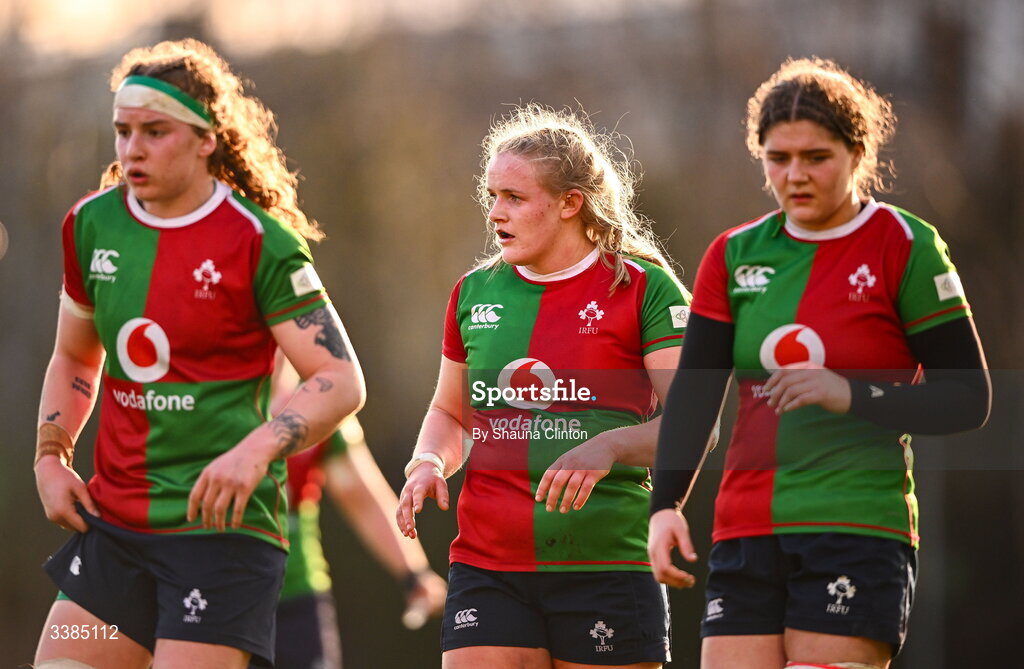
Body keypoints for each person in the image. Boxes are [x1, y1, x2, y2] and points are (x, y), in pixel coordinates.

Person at [648, 57, 991, 669]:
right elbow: (696, 396)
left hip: (856, 529)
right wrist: (665, 507)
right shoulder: (732, 255)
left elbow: (968, 397)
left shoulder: (905, 246)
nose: (795, 175)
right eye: (778, 158)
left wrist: (850, 394)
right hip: (746, 530)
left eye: (816, 157)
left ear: (857, 152)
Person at [33, 39, 365, 669]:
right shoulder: (90, 225)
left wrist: (256, 450)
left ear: (207, 137)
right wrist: (52, 456)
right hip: (117, 528)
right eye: (123, 131)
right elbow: (76, 358)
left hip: (221, 538)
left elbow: (340, 378)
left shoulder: (260, 244)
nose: (132, 149)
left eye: (155, 132)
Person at [396, 104, 691, 669]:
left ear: (569, 203)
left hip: (605, 564)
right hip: (488, 563)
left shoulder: (643, 289)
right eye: (492, 197)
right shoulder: (474, 292)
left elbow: (694, 425)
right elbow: (451, 413)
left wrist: (610, 445)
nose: (495, 214)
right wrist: (428, 461)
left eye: (514, 198)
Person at [266, 358, 447, 669]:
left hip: (298, 593)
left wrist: (413, 573)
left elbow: (362, 498)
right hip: (219, 592)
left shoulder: (322, 406)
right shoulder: (209, 401)